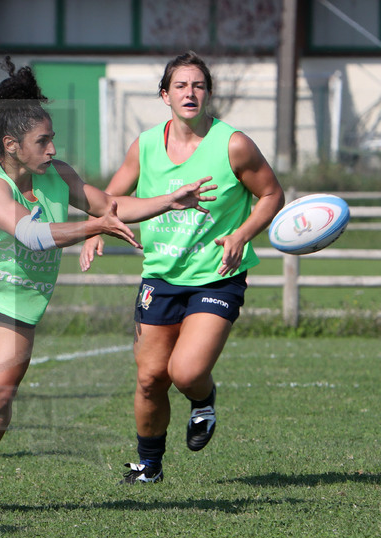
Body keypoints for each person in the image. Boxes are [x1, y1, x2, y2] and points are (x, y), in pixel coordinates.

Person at [0, 57, 217, 515]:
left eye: (53, 137)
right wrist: (92, 227)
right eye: (43, 141)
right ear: (12, 145)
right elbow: (32, 234)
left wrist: (168, 200)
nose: (53, 147)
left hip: (15, 295)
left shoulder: (57, 175)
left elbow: (112, 203)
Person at [80, 51, 284, 484]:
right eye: (180, 85)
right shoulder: (147, 145)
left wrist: (240, 235)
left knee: (186, 372)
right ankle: (149, 466)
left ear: (207, 93)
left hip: (218, 275)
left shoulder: (234, 144)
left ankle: (203, 398)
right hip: (160, 275)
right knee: (151, 377)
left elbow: (271, 196)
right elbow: (108, 201)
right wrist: (95, 229)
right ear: (164, 94)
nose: (190, 92)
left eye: (198, 85)